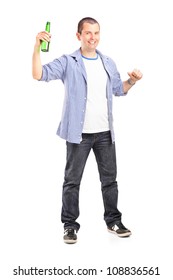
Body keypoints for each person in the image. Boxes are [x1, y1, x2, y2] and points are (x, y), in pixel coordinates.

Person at [32, 17, 143, 244]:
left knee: (110, 180)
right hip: (78, 134)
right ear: (79, 36)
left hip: (105, 134)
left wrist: (131, 81)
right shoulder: (68, 61)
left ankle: (113, 221)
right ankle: (70, 226)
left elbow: (118, 90)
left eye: (96, 33)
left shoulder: (108, 62)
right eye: (88, 33)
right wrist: (36, 47)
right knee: (72, 181)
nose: (93, 37)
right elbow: (38, 74)